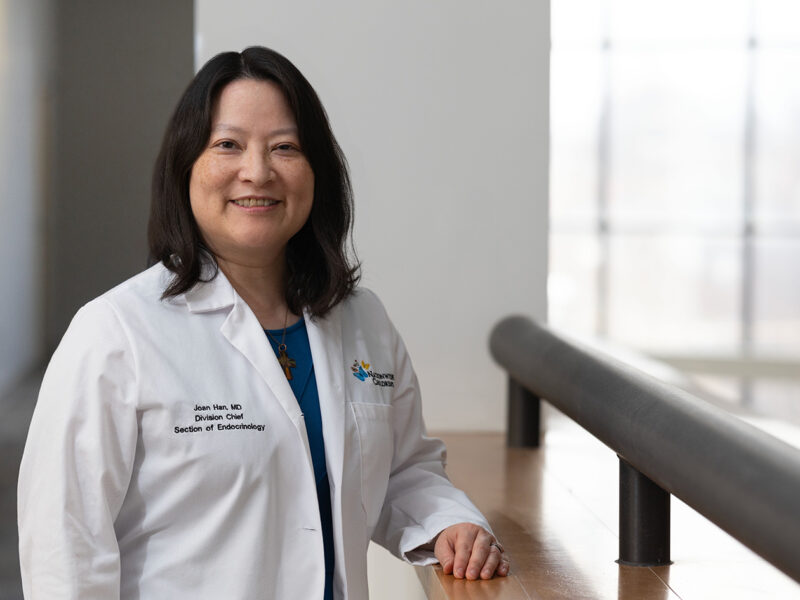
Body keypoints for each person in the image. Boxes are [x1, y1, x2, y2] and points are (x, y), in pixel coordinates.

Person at [18, 46, 508, 599]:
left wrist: (449, 522)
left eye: (285, 147)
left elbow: (400, 470)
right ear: (185, 167)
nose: (257, 172)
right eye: (228, 144)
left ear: (317, 171)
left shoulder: (362, 319)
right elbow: (65, 543)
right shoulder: (115, 332)